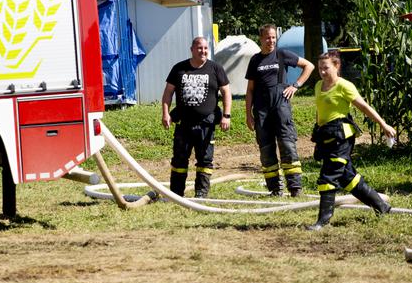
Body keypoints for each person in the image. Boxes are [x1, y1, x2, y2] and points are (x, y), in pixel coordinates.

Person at [308, 50, 396, 230]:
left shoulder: (344, 86)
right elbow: (320, 111)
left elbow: (364, 107)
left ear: (336, 66)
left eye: (326, 68)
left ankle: (323, 220)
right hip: (326, 136)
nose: (322, 72)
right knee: (348, 178)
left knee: (328, 176)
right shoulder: (318, 86)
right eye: (320, 68)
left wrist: (383, 125)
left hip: (341, 138)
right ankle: (382, 206)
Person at [245, 24, 314, 197]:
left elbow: (309, 66)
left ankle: (295, 188)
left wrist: (295, 86)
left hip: (281, 107)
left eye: (274, 37)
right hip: (261, 110)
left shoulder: (282, 54)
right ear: (261, 39)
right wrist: (248, 114)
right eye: (268, 37)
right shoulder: (255, 60)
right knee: (266, 149)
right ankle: (275, 189)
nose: (271, 40)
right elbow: (250, 90)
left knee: (287, 145)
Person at [162, 36, 232, 198]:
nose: (203, 51)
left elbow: (226, 92)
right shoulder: (179, 68)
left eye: (206, 48)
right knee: (179, 160)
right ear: (192, 49)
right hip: (183, 123)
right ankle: (176, 194)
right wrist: (165, 113)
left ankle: (201, 193)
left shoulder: (216, 68)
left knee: (205, 160)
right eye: (199, 48)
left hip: (206, 123)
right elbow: (168, 93)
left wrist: (226, 116)